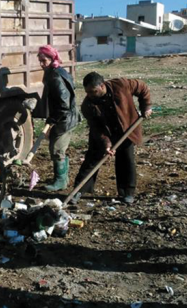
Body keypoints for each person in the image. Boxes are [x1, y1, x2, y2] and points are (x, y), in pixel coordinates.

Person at [74, 72, 152, 204]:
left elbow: (142, 87)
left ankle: (127, 193)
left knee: (126, 159)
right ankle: (79, 191)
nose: (90, 95)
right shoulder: (87, 105)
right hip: (104, 131)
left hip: (126, 128)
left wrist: (146, 106)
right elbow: (96, 128)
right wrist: (106, 143)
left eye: (93, 91)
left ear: (102, 86)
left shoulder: (121, 85)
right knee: (92, 160)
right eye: (87, 92)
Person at [34, 45, 79, 191]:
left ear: (52, 58)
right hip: (64, 117)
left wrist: (52, 119)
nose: (41, 64)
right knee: (58, 148)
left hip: (65, 119)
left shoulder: (55, 76)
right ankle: (63, 178)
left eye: (44, 60)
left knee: (57, 149)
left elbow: (63, 103)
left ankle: (60, 181)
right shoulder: (56, 71)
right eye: (40, 60)